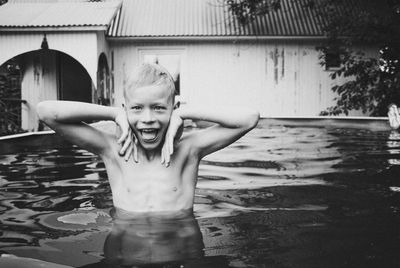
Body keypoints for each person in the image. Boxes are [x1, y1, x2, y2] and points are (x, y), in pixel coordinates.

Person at [36, 63, 259, 214]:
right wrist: (114, 114)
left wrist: (183, 114)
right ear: (126, 109)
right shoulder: (112, 149)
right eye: (136, 108)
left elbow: (249, 118)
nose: (148, 118)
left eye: (159, 108)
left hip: (179, 254)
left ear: (174, 108)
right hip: (127, 255)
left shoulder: (189, 150)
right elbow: (46, 112)